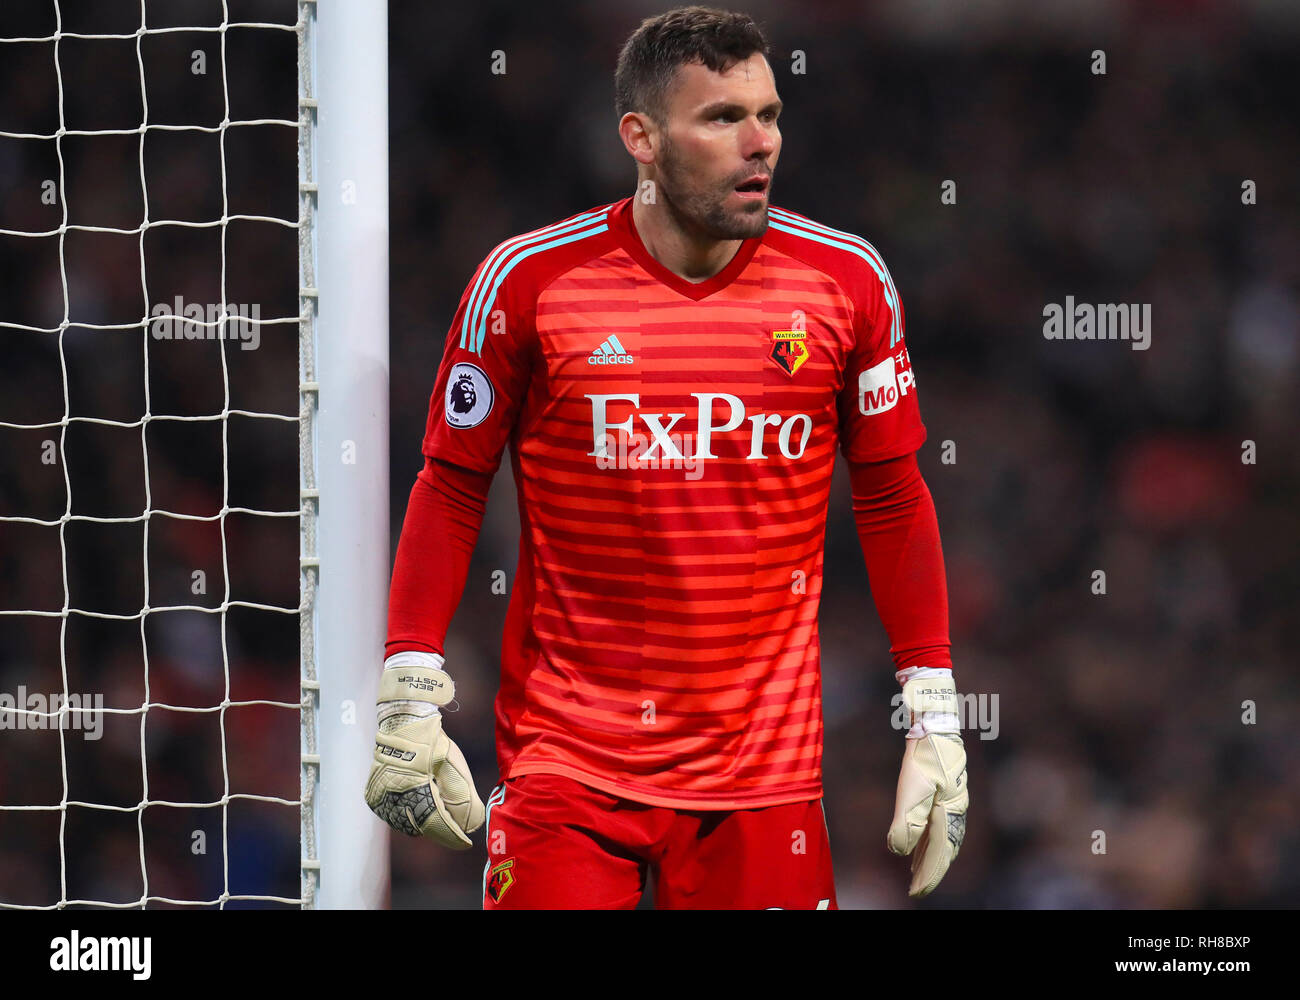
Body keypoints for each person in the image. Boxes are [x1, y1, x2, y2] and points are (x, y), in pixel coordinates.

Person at [365, 5, 968, 909]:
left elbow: (891, 494)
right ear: (640, 137)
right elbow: (452, 484)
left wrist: (935, 712)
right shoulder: (531, 283)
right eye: (723, 118)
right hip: (566, 762)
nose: (759, 142)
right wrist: (410, 683)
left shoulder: (845, 283)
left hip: (763, 777)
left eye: (768, 114)